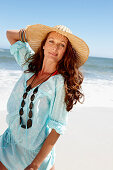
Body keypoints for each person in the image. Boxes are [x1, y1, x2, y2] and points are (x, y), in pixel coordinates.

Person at [0, 24, 89, 170]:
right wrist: (33, 34)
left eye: (62, 45)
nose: (55, 48)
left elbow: (57, 127)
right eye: (51, 41)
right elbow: (10, 35)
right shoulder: (29, 64)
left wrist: (35, 165)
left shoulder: (60, 83)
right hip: (9, 144)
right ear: (43, 45)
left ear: (66, 52)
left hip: (35, 154)